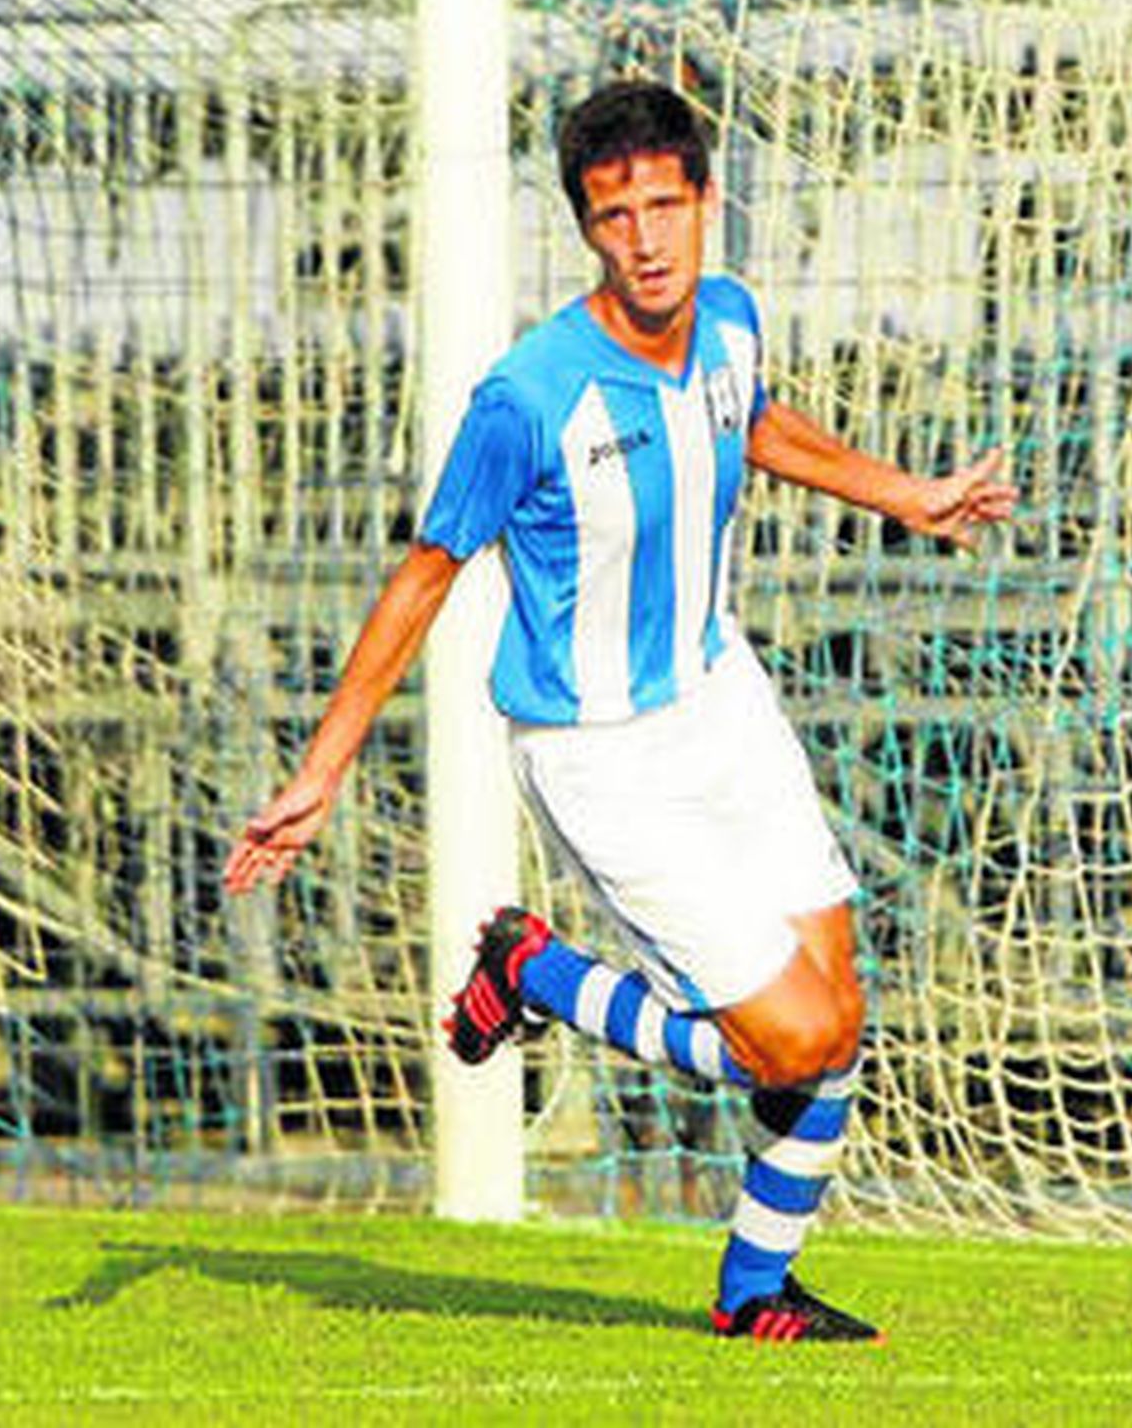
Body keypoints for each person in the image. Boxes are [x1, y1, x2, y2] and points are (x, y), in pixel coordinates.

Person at [223, 80, 1016, 1342]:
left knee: (839, 1020)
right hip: (597, 749)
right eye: (613, 215)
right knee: (791, 1042)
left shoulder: (731, 318)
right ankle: (533, 969)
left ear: (707, 201)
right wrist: (322, 770)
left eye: (663, 205)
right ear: (585, 229)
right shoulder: (529, 396)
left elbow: (749, 422)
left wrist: (905, 495)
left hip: (719, 696)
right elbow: (425, 574)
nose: (644, 239)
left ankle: (755, 1292)